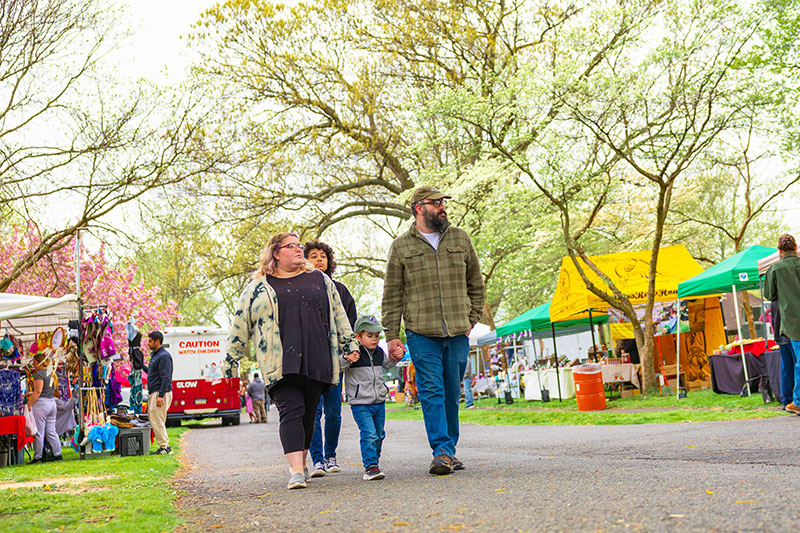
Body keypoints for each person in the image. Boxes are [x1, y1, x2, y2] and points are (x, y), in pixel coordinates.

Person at [225, 232, 359, 490]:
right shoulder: (257, 287)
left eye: (300, 246)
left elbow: (340, 315)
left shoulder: (320, 279)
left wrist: (349, 343)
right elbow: (241, 325)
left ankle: (302, 462)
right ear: (276, 252)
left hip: (317, 355)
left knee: (309, 414)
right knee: (291, 410)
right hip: (278, 360)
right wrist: (232, 362)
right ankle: (296, 470)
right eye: (291, 246)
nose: (299, 250)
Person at [382, 186, 485, 475]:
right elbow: (392, 293)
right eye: (435, 203)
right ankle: (441, 450)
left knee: (452, 392)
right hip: (420, 331)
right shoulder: (401, 246)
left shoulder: (460, 239)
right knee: (431, 391)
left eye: (443, 202)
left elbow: (476, 284)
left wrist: (471, 319)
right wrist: (392, 335)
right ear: (418, 208)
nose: (442, 207)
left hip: (457, 331)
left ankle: (448, 449)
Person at [304, 239, 357, 477]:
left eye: (323, 256)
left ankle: (331, 455)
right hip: (311, 361)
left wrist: (350, 348)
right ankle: (317, 460)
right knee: (313, 412)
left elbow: (351, 322)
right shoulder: (301, 289)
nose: (319, 259)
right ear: (305, 260)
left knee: (334, 412)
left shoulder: (341, 290)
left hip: (335, 360)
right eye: (313, 255)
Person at [340, 315, 397, 481]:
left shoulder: (379, 352)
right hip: (360, 403)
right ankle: (370, 466)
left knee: (379, 434)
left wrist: (396, 357)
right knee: (369, 433)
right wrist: (346, 358)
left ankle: (375, 463)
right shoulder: (353, 353)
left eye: (377, 336)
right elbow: (338, 365)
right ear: (358, 337)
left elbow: (388, 364)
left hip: (379, 401)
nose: (374, 339)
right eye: (369, 336)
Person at [764, 233, 800, 415]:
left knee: (792, 363)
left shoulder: (775, 269)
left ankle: (794, 400)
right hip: (790, 323)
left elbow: (769, 295)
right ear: (796, 248)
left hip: (790, 323)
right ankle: (794, 400)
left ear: (779, 251)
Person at [27, 352, 63, 463]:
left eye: (34, 362)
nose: (33, 364)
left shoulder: (39, 374)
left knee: (39, 432)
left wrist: (29, 404)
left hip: (41, 404)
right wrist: (32, 393)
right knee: (51, 431)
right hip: (52, 403)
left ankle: (38, 457)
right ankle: (58, 454)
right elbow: (47, 391)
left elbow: (38, 391)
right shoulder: (51, 373)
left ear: (39, 362)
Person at [144, 331, 173, 454]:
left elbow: (166, 376)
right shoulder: (156, 356)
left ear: (157, 341)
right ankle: (163, 446)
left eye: (150, 341)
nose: (148, 343)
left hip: (160, 392)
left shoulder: (164, 356)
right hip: (155, 392)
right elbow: (152, 372)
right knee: (155, 419)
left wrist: (160, 396)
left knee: (157, 420)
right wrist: (141, 366)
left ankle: (164, 448)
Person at [770, 300, 796, 410]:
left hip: (780, 337)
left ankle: (786, 400)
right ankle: (795, 400)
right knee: (795, 367)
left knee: (786, 369)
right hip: (791, 335)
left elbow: (773, 320)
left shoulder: (774, 301)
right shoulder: (788, 297)